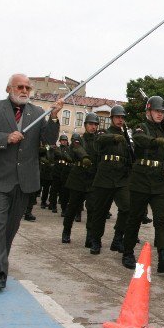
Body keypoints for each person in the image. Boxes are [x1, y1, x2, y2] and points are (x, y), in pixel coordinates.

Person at [0, 73, 63, 290]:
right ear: (9, 89)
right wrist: (4, 138)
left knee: (11, 227)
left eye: (27, 88)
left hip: (24, 181)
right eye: (20, 87)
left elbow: (49, 139)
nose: (24, 91)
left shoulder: (37, 113)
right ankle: (0, 271)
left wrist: (55, 117)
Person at [121, 96, 164, 275]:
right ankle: (128, 252)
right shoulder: (141, 127)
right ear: (149, 112)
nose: (160, 114)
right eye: (156, 111)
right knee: (135, 217)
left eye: (162, 112)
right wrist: (154, 142)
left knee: (162, 220)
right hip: (141, 179)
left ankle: (163, 258)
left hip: (159, 181)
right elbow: (139, 138)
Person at [88, 104, 131, 254]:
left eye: (122, 118)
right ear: (112, 118)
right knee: (100, 211)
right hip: (105, 176)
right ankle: (96, 240)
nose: (120, 120)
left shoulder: (127, 136)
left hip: (121, 177)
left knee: (127, 207)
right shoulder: (103, 131)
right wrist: (114, 137)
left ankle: (118, 239)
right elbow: (98, 140)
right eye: (118, 117)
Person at [62, 114, 98, 252]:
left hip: (92, 178)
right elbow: (76, 149)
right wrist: (85, 157)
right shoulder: (78, 139)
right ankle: (66, 231)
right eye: (90, 124)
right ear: (85, 125)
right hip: (78, 177)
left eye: (95, 124)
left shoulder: (98, 141)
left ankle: (89, 237)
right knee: (72, 207)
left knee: (92, 209)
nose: (93, 127)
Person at [51, 135, 72, 214]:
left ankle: (64, 209)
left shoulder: (69, 149)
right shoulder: (57, 149)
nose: (64, 141)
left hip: (65, 171)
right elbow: (55, 156)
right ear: (60, 141)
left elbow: (70, 158)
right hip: (57, 171)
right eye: (62, 140)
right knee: (54, 190)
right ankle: (53, 206)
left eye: (65, 140)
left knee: (64, 192)